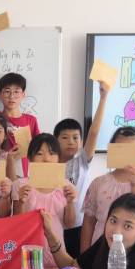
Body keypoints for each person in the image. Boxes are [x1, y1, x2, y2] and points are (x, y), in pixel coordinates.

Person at [81, 126, 135, 252]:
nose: (127, 155)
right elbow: (88, 222)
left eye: (132, 151)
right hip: (100, 250)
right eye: (121, 149)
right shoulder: (98, 183)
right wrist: (84, 255)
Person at [54, 79, 109, 256]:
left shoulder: (82, 162)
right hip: (53, 227)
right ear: (55, 140)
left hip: (77, 228)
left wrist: (103, 98)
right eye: (64, 137)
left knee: (76, 268)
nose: (71, 142)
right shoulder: (47, 166)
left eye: (75, 138)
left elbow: (94, 133)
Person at [44, 193, 135, 269]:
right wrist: (51, 236)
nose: (116, 231)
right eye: (113, 221)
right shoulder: (104, 242)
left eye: (127, 226)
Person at [13, 134, 77, 269]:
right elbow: (17, 223)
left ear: (59, 158)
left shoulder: (66, 186)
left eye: (52, 153)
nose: (46, 159)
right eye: (39, 154)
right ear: (30, 158)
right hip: (28, 255)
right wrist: (21, 201)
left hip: (57, 254)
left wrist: (70, 202)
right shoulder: (20, 185)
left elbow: (69, 224)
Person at [0, 32, 40, 150]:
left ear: (23, 95)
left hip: (23, 163)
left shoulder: (31, 120)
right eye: (7, 91)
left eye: (16, 92)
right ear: (0, 95)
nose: (12, 96)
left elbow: (37, 151)